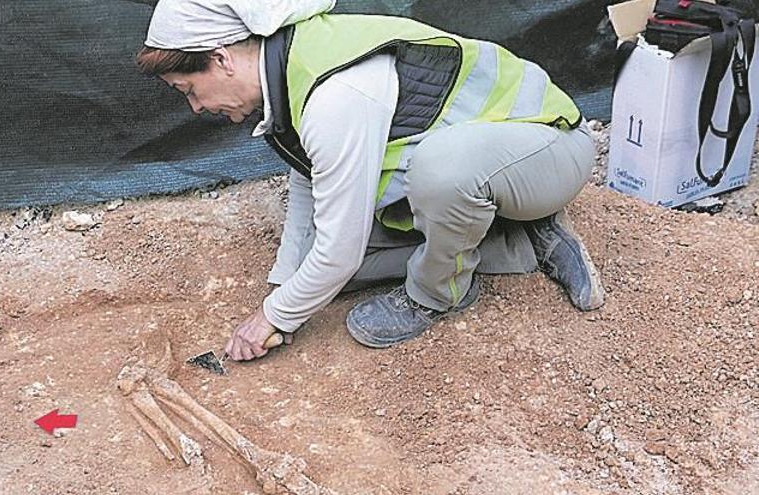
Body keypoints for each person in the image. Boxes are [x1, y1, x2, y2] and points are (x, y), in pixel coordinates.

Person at [136, 0, 605, 361]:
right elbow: (310, 182)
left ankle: (437, 294)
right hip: (492, 173)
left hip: (549, 148)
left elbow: (337, 247)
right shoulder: (289, 72)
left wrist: (271, 317)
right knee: (321, 278)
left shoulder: (335, 93)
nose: (196, 108)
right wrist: (283, 288)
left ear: (221, 60)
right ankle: (521, 242)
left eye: (189, 91)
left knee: (441, 171)